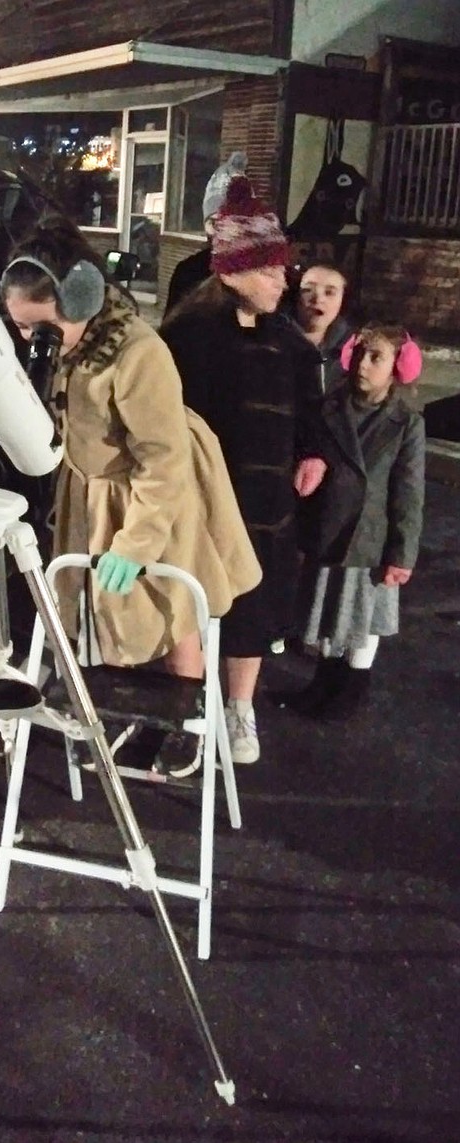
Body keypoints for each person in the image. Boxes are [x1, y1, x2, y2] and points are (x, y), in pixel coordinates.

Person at [0, 215, 262, 778]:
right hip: (93, 490)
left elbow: (161, 459)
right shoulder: (64, 344)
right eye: (22, 329)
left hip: (150, 493)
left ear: (81, 298)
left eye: (40, 328)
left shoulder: (139, 353)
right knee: (115, 614)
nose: (32, 342)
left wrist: (138, 543)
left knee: (173, 609)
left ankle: (186, 725)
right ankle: (147, 710)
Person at [160, 176, 326, 764]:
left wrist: (314, 453)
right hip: (201, 503)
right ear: (234, 272)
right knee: (192, 604)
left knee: (253, 613)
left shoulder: (290, 342)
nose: (286, 281)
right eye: (272, 270)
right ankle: (188, 714)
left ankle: (239, 710)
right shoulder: (187, 339)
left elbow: (312, 412)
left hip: (267, 508)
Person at [275, 324, 426, 717]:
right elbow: (309, 447)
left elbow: (409, 494)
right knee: (328, 611)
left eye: (376, 357)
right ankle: (324, 684)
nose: (364, 364)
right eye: (359, 353)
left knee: (363, 617)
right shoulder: (329, 407)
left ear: (398, 366)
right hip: (329, 530)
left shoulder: (405, 422)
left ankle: (352, 689)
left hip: (370, 540)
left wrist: (402, 553)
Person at [162, 151, 248, 319]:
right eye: (214, 223)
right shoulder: (189, 272)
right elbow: (169, 335)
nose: (222, 232)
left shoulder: (264, 276)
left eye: (231, 221)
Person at [287, 261, 353, 394]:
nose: (318, 299)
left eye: (329, 292)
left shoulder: (353, 349)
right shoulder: (271, 340)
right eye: (308, 290)